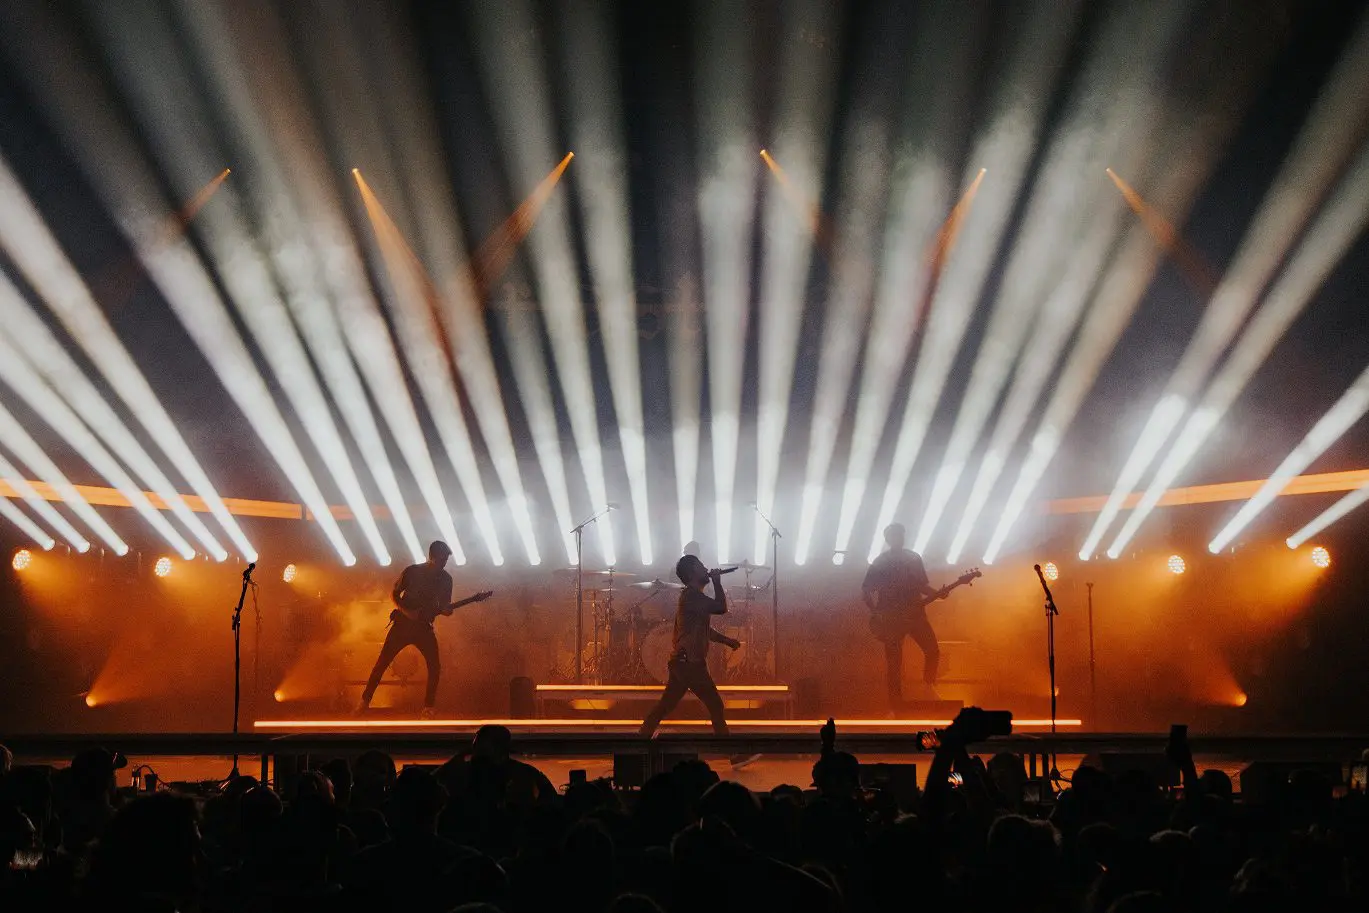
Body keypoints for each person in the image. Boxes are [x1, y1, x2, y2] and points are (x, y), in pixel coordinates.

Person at [357, 540, 491, 718]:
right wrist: (406, 611)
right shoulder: (412, 571)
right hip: (402, 625)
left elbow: (444, 606)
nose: (444, 563)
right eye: (442, 559)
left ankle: (428, 707)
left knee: (434, 666)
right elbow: (394, 594)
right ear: (432, 557)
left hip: (424, 628)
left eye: (446, 560)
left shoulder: (446, 579)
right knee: (381, 663)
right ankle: (364, 702)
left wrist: (446, 610)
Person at [638, 555, 739, 737]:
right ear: (693, 572)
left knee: (665, 706)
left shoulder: (693, 597)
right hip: (690, 664)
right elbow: (721, 607)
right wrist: (716, 582)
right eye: (701, 565)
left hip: (682, 663)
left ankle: (640, 739)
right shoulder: (692, 596)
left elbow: (703, 630)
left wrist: (727, 641)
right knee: (715, 704)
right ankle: (732, 752)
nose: (706, 568)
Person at [862, 523, 941, 706]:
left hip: (912, 615)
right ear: (889, 539)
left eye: (901, 534)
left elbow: (922, 586)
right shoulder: (884, 561)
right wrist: (876, 613)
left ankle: (927, 687)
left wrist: (937, 593)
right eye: (897, 535)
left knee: (931, 651)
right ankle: (896, 703)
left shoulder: (910, 558)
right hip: (895, 618)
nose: (900, 538)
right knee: (895, 663)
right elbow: (866, 591)